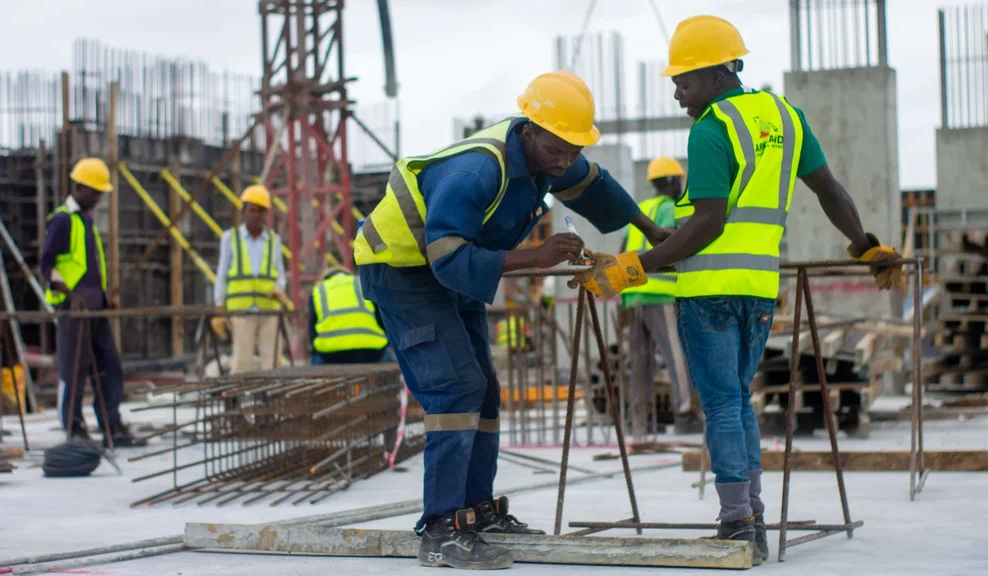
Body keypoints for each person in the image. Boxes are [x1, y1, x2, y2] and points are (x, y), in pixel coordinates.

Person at [570, 16, 903, 565]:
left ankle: (737, 524)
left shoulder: (709, 129)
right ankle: (752, 516)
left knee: (722, 404)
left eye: (683, 80)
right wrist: (865, 245)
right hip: (758, 290)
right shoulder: (786, 116)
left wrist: (632, 269)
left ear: (717, 72)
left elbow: (707, 225)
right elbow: (829, 189)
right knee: (738, 401)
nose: (678, 93)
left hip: (709, 293)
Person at [354, 70, 660, 570]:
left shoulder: (551, 151)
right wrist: (536, 257)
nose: (564, 161)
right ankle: (440, 529)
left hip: (452, 265)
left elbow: (594, 188)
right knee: (455, 388)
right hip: (403, 269)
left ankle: (476, 513)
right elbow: (447, 257)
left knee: (485, 391)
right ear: (529, 131)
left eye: (572, 150)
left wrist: (653, 232)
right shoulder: (477, 172)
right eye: (557, 150)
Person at [40, 158, 141, 447]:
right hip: (74, 310)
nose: (98, 198)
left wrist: (102, 295)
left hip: (94, 309)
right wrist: (71, 296)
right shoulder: (62, 220)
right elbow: (47, 266)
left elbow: (87, 267)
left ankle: (111, 424)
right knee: (74, 369)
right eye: (95, 192)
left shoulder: (86, 221)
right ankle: (75, 427)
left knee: (109, 365)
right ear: (80, 187)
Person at [621, 158, 700, 436]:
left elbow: (623, 249)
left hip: (632, 295)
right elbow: (679, 244)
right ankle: (684, 413)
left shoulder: (640, 210)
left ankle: (637, 420)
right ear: (672, 182)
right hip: (659, 292)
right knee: (674, 354)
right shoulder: (671, 209)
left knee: (639, 360)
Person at [211, 185, 290, 374]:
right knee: (241, 362)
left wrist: (279, 288)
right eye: (252, 210)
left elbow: (279, 272)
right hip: (241, 311)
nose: (255, 215)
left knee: (272, 362)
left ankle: (273, 400)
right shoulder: (230, 239)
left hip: (268, 310)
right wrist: (220, 307)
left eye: (260, 211)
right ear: (244, 212)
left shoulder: (273, 240)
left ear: (266, 214)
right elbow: (222, 273)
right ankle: (237, 401)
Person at [309, 267, 390, 364]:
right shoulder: (362, 283)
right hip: (371, 351)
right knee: (391, 358)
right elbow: (382, 319)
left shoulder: (318, 290)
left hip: (331, 354)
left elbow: (312, 330)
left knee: (315, 357)